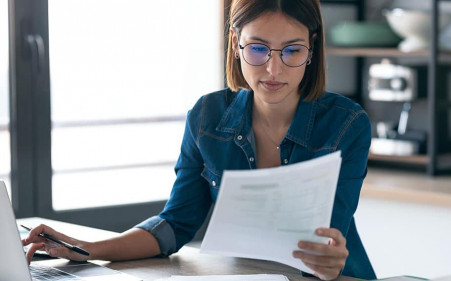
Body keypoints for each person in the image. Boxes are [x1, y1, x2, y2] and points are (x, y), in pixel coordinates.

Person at [23, 0, 376, 280]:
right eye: (257, 48)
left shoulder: (347, 124)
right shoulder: (207, 116)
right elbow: (175, 225)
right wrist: (85, 248)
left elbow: (327, 241)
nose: (273, 69)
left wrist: (329, 262)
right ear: (236, 44)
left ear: (311, 49)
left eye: (292, 51)